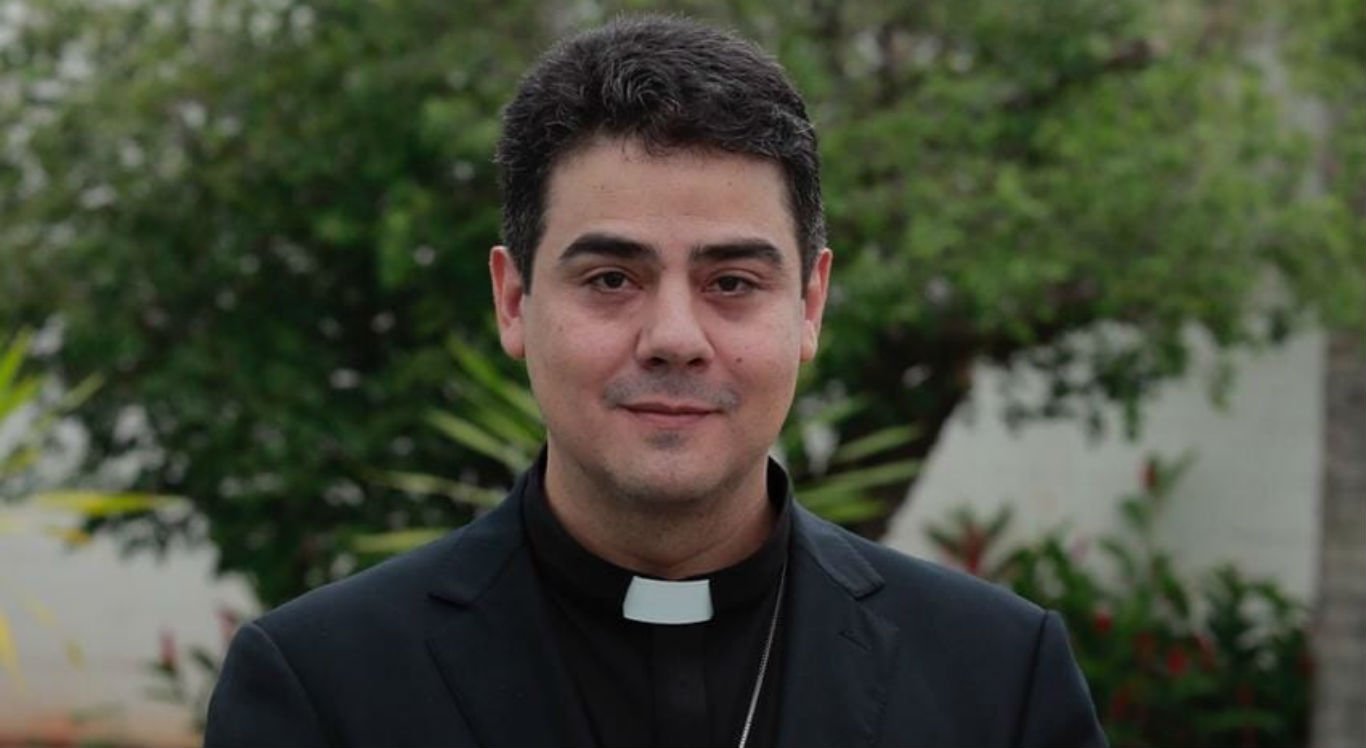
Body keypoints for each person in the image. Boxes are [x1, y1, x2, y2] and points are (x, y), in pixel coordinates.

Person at [204, 15, 1106, 748]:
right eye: (611, 279)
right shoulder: (324, 687)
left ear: (810, 306)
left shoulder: (998, 678)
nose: (675, 338)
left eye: (732, 283)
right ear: (514, 301)